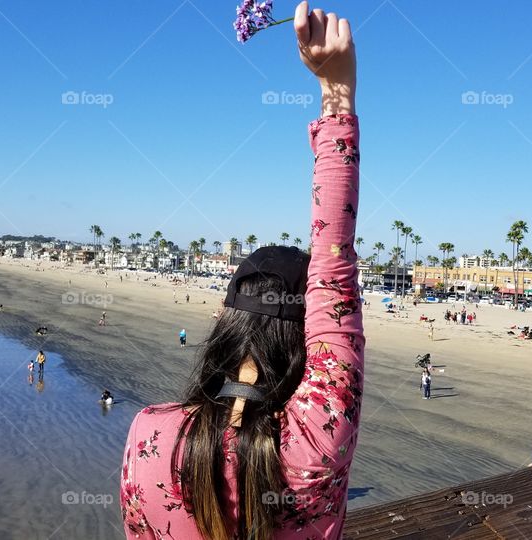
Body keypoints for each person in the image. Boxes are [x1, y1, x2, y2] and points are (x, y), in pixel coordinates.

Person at [120, 9, 363, 538]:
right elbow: (334, 260)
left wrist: (335, 93)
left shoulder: (151, 435)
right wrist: (337, 91)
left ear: (223, 320)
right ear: (310, 334)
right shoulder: (319, 435)